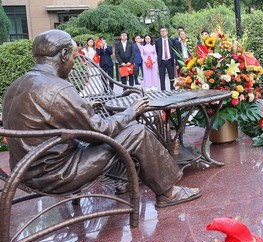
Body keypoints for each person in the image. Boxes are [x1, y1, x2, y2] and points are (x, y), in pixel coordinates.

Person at [1, 29, 200, 208]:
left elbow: (47, 120)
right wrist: (131, 111)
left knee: (120, 131)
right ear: (62, 55)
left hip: (25, 170)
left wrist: (84, 110)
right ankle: (168, 192)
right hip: (56, 174)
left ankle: (124, 180)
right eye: (73, 56)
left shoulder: (16, 85)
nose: (73, 63)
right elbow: (100, 133)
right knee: (136, 132)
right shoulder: (58, 88)